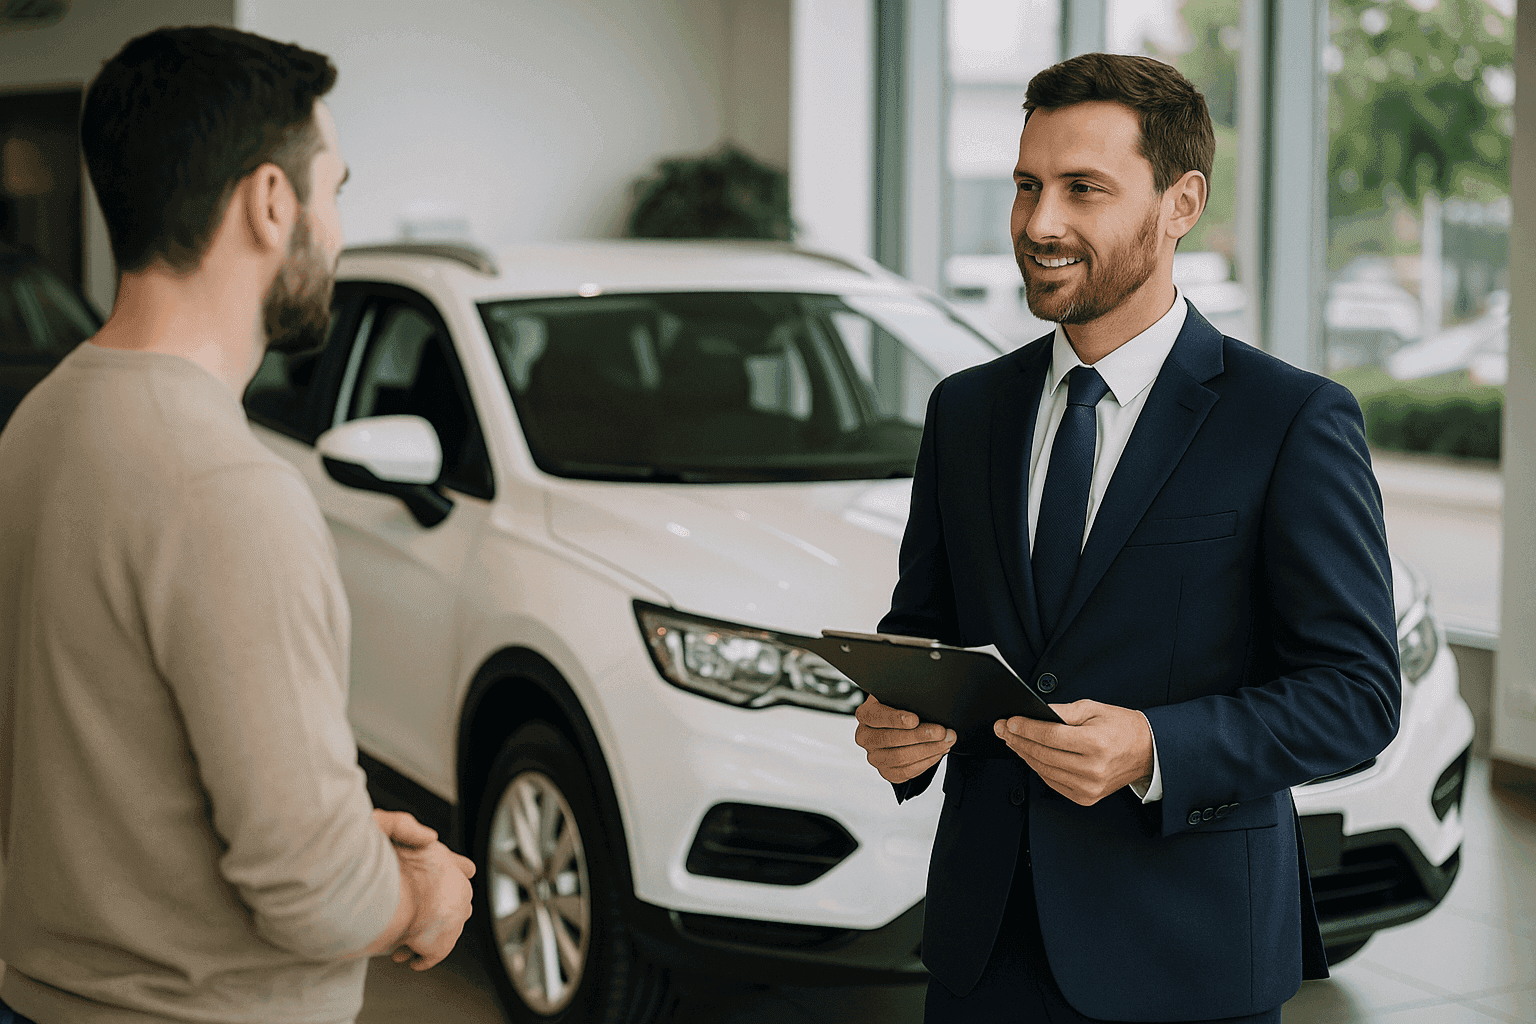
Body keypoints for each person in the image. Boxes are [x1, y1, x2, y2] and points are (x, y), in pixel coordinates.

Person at [854, 52, 1400, 1023]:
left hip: (1185, 957)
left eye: (1082, 189)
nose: (1038, 223)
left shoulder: (1290, 419)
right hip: (981, 952)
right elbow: (926, 626)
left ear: (1180, 203)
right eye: (1027, 185)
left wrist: (1157, 744)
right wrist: (903, 724)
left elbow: (1356, 696)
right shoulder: (966, 411)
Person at [0, 26, 475, 1024]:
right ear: (270, 202)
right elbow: (310, 889)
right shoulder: (230, 491)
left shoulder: (41, 422)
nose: (338, 228)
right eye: (334, 188)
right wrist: (422, 894)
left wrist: (340, 832)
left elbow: (111, 771)